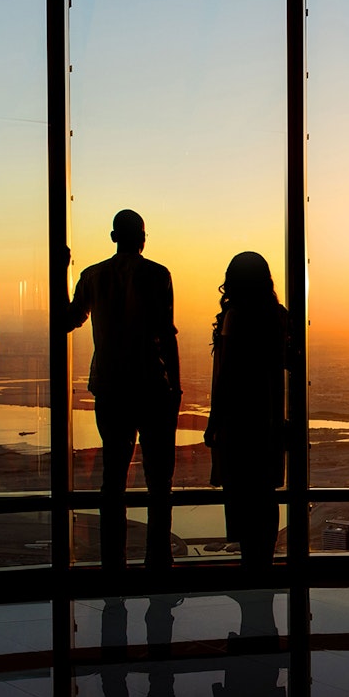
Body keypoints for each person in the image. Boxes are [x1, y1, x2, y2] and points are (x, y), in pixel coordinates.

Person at [68, 209, 182, 570]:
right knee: (158, 480)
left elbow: (69, 320)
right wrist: (176, 387)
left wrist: (60, 273)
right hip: (151, 385)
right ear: (142, 237)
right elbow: (166, 335)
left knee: (113, 479)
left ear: (114, 236)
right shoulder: (157, 275)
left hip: (111, 387)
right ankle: (158, 560)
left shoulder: (92, 276)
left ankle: (112, 562)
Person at [204, 251, 288, 571]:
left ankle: (252, 568)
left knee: (242, 495)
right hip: (268, 421)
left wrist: (214, 423)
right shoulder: (279, 317)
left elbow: (226, 376)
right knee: (264, 495)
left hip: (239, 420)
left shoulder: (236, 316)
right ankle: (262, 564)